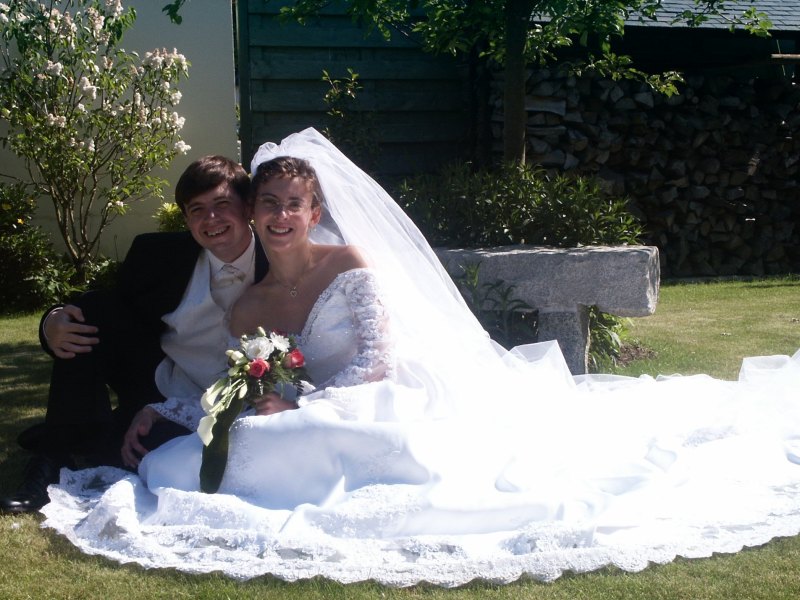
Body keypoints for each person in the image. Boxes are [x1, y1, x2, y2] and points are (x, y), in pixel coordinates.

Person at [39, 129, 800, 587]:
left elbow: (372, 361)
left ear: (311, 211)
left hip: (378, 391)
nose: (270, 218)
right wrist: (177, 405)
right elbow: (245, 372)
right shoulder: (239, 301)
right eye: (263, 206)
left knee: (302, 434)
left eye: (285, 206)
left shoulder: (349, 262)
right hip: (295, 399)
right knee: (207, 458)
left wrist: (294, 399)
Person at [0, 155, 267, 514]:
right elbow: (101, 306)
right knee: (89, 316)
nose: (211, 219)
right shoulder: (157, 254)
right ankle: (52, 455)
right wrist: (51, 322)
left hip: (248, 394)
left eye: (222, 204)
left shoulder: (279, 255)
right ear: (185, 218)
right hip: (165, 381)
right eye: (197, 210)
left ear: (247, 207)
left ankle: (91, 431)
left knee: (136, 454)